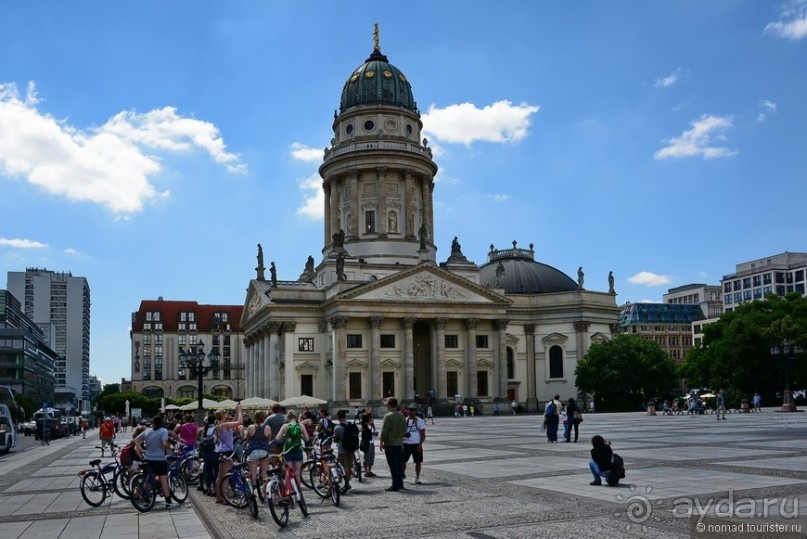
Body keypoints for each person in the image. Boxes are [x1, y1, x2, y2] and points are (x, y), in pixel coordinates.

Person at [134, 415, 175, 508]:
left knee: (147, 477)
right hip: (159, 459)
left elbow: (136, 440)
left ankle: (145, 495)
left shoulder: (147, 430)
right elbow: (164, 444)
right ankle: (168, 501)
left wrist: (142, 450)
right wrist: (171, 448)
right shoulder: (163, 431)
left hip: (147, 458)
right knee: (163, 480)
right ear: (162, 423)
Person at [214, 403, 243, 504]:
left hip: (222, 451)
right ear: (222, 415)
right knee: (226, 475)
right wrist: (239, 410)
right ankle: (225, 498)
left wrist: (236, 411)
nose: (227, 413)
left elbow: (234, 421)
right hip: (227, 451)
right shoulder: (224, 425)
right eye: (225, 412)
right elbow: (239, 422)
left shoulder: (219, 425)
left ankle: (219, 497)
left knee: (220, 475)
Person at [276, 410, 309, 490]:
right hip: (298, 449)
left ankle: (289, 491)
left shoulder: (285, 426)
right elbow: (307, 439)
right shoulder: (301, 426)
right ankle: (299, 492)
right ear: (296, 417)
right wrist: (301, 436)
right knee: (297, 473)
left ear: (288, 418)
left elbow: (277, 439)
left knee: (288, 472)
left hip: (288, 450)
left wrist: (284, 436)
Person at [379, 397, 406, 492]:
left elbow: (384, 431)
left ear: (389, 405)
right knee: (399, 464)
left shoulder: (388, 416)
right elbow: (404, 430)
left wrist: (381, 442)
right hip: (399, 443)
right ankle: (401, 483)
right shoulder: (402, 416)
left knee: (393, 465)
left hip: (390, 444)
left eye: (387, 404)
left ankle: (395, 485)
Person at [245, 410, 272, 492]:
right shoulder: (267, 428)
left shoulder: (250, 427)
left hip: (253, 451)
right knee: (264, 474)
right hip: (264, 451)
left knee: (253, 474)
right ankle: (265, 493)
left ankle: (253, 492)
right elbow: (268, 440)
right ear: (264, 417)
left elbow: (247, 441)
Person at [401, 405, 427, 485]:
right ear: (407, 411)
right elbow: (402, 432)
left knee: (418, 462)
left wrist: (420, 444)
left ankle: (417, 477)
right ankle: (402, 474)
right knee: (402, 461)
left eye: (413, 411)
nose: (411, 412)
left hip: (416, 444)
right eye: (409, 410)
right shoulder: (405, 420)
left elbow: (423, 435)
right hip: (406, 444)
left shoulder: (419, 421)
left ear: (415, 411)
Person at [333, 409, 356, 493]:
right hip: (352, 448)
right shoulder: (351, 424)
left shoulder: (337, 427)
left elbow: (335, 440)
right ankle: (348, 482)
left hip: (342, 449)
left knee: (344, 466)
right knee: (350, 466)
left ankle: (346, 484)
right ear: (345, 416)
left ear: (338, 417)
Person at [196, 414, 218, 496]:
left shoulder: (204, 430)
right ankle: (215, 489)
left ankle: (208, 488)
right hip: (214, 452)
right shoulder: (215, 429)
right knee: (216, 472)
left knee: (208, 472)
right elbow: (218, 441)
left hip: (206, 453)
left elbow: (201, 442)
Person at [360, 411, 377, 477]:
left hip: (372, 443)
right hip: (367, 444)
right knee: (367, 458)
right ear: (368, 418)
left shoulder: (372, 425)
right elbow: (364, 435)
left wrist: (374, 433)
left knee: (372, 458)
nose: (373, 418)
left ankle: (369, 471)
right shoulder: (364, 426)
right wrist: (372, 433)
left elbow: (372, 433)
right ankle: (366, 471)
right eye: (371, 417)